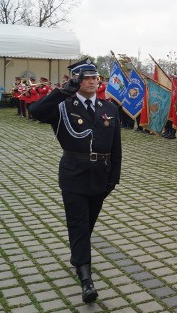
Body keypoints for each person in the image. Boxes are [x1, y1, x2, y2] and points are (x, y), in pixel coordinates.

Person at [29, 58, 122, 303]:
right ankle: (86, 280)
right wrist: (60, 92)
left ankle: (77, 255)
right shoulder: (62, 106)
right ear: (77, 81)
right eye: (87, 78)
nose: (93, 82)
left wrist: (114, 178)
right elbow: (35, 111)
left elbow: (116, 147)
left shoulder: (109, 109)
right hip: (74, 174)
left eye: (95, 78)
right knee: (79, 225)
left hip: (101, 174)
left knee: (87, 223)